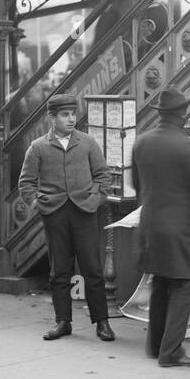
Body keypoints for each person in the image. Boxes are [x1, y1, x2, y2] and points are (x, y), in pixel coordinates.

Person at [132, 87, 190, 367]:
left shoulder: (141, 142)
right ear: (181, 114)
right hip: (176, 227)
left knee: (160, 283)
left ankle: (155, 346)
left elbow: (137, 185)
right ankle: (170, 352)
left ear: (160, 113)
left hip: (149, 224)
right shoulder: (185, 146)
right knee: (183, 286)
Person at [18, 93, 114, 341]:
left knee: (92, 268)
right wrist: (39, 204)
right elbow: (26, 183)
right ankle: (63, 322)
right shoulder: (38, 147)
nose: (71, 119)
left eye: (73, 114)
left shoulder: (88, 143)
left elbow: (104, 176)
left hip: (85, 212)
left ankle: (101, 322)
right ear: (52, 118)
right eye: (64, 115)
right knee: (59, 270)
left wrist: (94, 199)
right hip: (55, 214)